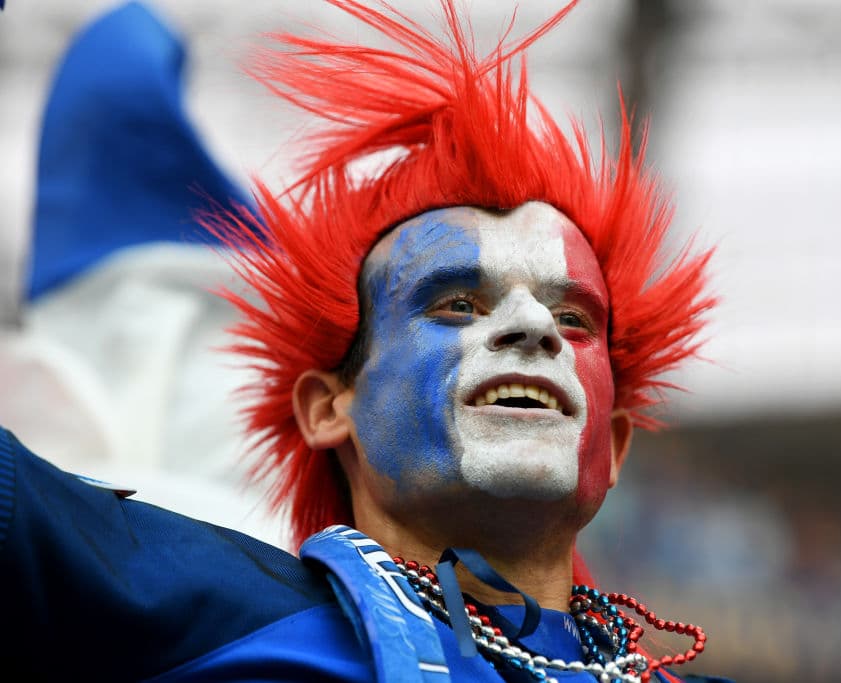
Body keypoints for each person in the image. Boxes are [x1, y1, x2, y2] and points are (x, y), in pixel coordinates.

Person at [0, 1, 726, 681]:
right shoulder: (207, 611)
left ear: (617, 440)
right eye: (457, 303)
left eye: (573, 319)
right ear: (326, 407)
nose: (536, 328)